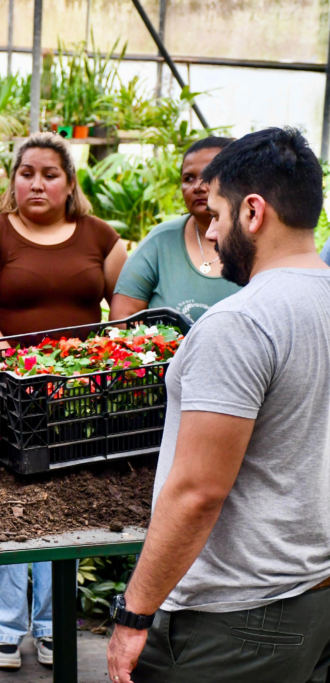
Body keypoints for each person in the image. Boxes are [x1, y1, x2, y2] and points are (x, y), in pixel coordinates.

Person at [106, 128, 330, 683]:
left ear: (253, 212)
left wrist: (133, 615)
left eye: (218, 215)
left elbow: (199, 492)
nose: (209, 231)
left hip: (232, 617)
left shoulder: (238, 323)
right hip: (313, 596)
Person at [0, 132, 126, 671]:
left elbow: (124, 316)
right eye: (26, 172)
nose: (37, 183)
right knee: (2, 504)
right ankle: (1, 626)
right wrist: (15, 364)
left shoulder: (101, 237)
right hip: (7, 392)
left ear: (69, 183)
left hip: (77, 396)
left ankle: (54, 626)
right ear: (14, 180)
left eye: (50, 173)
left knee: (66, 505)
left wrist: (94, 365)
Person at [110, 137, 238, 322]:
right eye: (188, 178)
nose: (198, 187)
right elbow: (123, 318)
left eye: (210, 176)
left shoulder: (259, 242)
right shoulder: (161, 240)